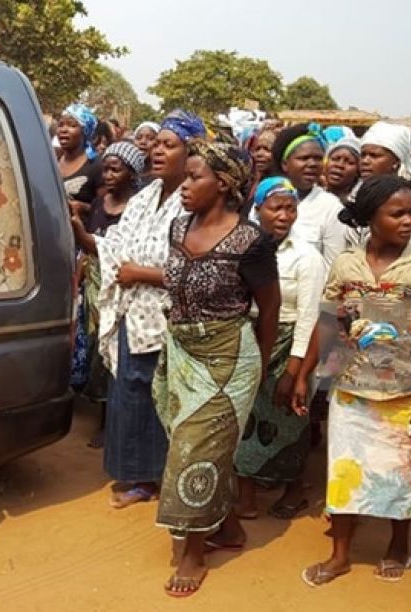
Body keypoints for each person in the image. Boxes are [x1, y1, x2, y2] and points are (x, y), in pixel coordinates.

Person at [301, 175, 411, 587]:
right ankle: (339, 555)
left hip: (404, 390)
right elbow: (328, 319)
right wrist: (308, 375)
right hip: (351, 388)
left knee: (402, 471)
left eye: (410, 213)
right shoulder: (346, 263)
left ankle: (397, 544)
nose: (408, 221)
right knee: (344, 472)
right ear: (371, 217)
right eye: (397, 213)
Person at [153, 139, 280, 597]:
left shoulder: (251, 241)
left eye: (194, 177)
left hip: (229, 357)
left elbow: (269, 307)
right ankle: (227, 528)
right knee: (191, 440)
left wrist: (261, 366)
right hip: (182, 350)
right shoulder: (176, 227)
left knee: (194, 449)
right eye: (185, 176)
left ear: (223, 183)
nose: (184, 185)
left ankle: (193, 552)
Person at [95, 110, 206, 509]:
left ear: (190, 151)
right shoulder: (143, 196)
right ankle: (139, 476)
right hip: (132, 312)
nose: (157, 151)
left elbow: (199, 265)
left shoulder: (195, 200)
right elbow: (116, 244)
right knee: (131, 393)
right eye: (155, 143)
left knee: (166, 399)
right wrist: (81, 236)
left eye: (168, 145)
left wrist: (141, 272)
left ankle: (167, 476)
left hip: (169, 319)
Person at [235, 177, 326, 520]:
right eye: (276, 208)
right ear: (258, 210)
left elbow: (309, 317)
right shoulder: (245, 248)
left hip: (288, 342)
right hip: (249, 337)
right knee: (244, 416)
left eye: (290, 208)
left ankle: (293, 488)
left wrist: (294, 371)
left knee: (288, 418)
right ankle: (246, 495)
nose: (284, 215)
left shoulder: (307, 257)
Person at [70, 141, 147, 448]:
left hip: (117, 284)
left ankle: (109, 423)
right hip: (93, 284)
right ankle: (102, 412)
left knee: (112, 355)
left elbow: (97, 246)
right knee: (94, 351)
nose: (109, 175)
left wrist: (79, 231)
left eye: (116, 169)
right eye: (106, 169)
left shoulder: (137, 209)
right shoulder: (102, 202)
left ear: (132, 173)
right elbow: (87, 255)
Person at [350, 121, 411, 252]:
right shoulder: (354, 196)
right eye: (363, 155)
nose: (365, 161)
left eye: (374, 156)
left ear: (395, 162)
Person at [269, 123, 347, 268]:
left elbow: (333, 266)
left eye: (318, 158)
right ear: (285, 164)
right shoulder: (265, 198)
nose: (312, 164)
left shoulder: (331, 207)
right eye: (304, 158)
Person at [57, 103, 102, 206]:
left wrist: (82, 208)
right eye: (60, 125)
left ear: (85, 131)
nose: (64, 130)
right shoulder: (53, 159)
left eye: (72, 125)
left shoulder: (96, 165)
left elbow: (101, 210)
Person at [325, 136, 362, 205]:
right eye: (335, 159)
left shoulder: (360, 202)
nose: (339, 165)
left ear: (358, 171)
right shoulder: (310, 195)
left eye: (349, 162)